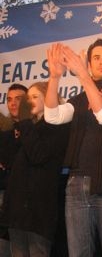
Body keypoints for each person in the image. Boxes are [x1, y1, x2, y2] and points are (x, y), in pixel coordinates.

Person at [44, 40, 102, 257]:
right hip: (75, 183)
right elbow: (52, 117)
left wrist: (83, 76)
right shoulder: (79, 99)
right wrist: (54, 77)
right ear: (89, 64)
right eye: (96, 58)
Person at [2, 81, 69, 257]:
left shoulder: (57, 127)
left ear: (49, 98)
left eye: (34, 97)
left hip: (38, 214)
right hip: (17, 214)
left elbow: (38, 155)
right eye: (27, 98)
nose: (28, 102)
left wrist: (24, 123)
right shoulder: (26, 128)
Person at [0, 83, 29, 257]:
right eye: (9, 99)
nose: (12, 103)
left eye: (18, 99)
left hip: (27, 205)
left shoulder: (37, 130)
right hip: (5, 199)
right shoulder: (5, 133)